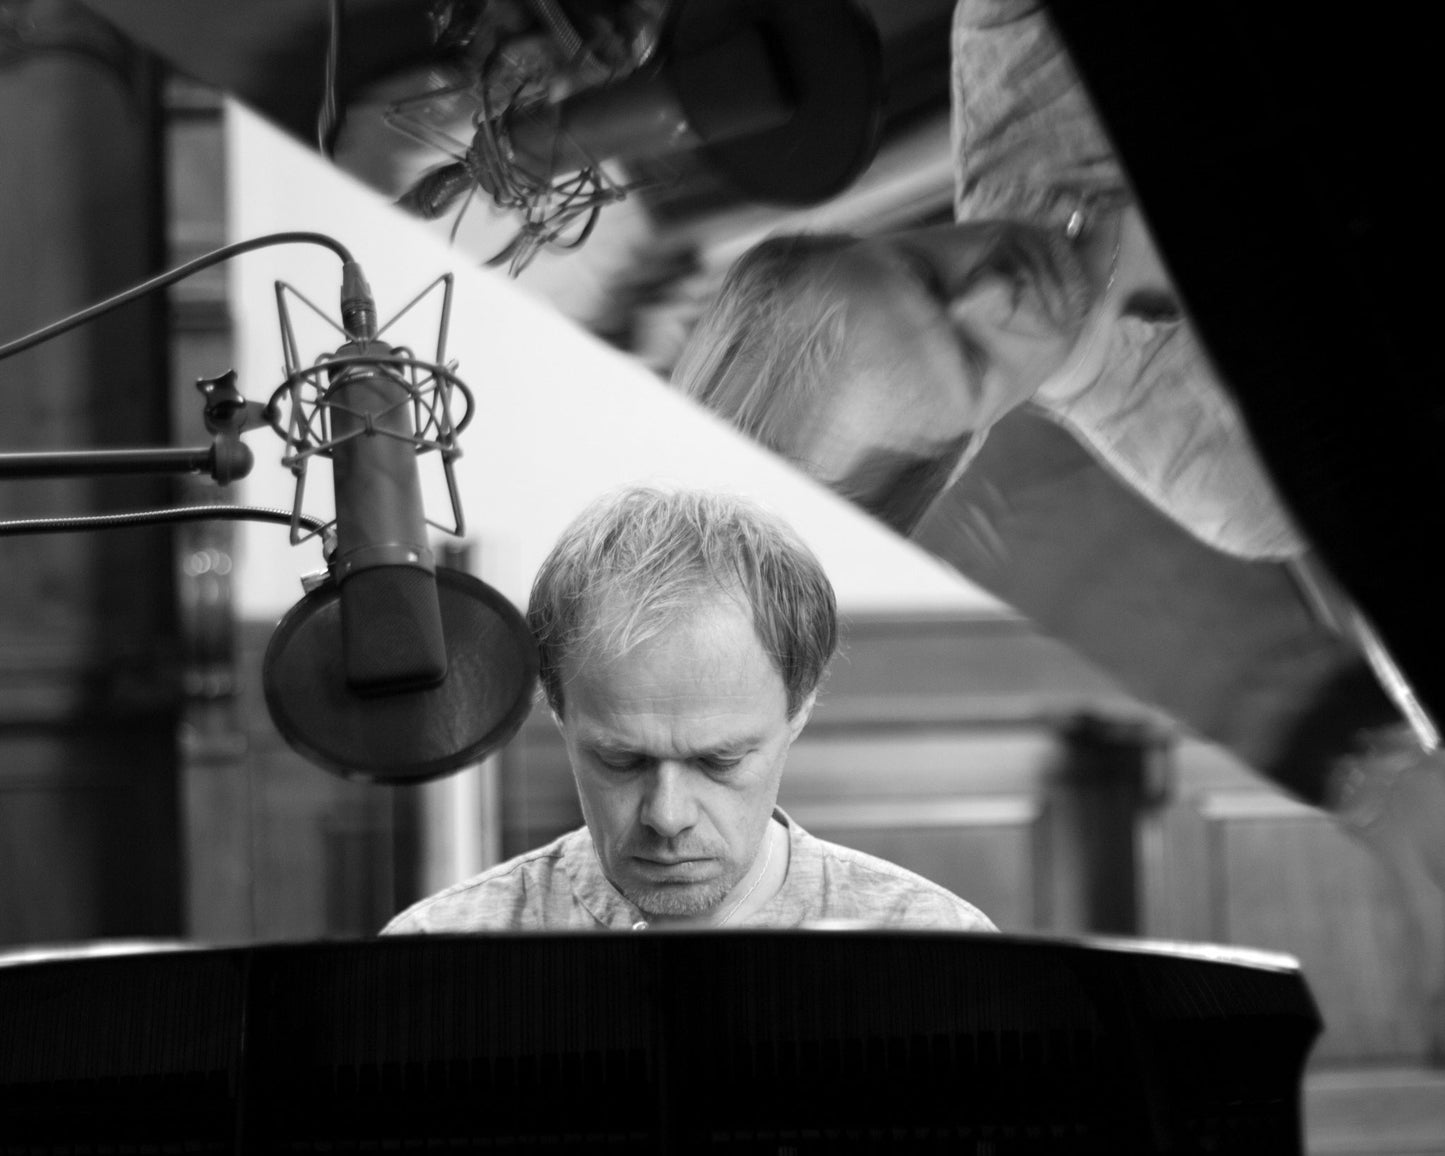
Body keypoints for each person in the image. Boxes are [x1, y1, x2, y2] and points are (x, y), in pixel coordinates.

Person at [670, 0, 1445, 895]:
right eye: (968, 358)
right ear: (958, 453)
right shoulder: (1227, 471)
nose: (994, 285)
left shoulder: (1011, 35)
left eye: (923, 272)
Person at [383, 485, 997, 933]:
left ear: (800, 707)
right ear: (558, 710)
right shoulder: (437, 952)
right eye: (621, 760)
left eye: (721, 760)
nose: (667, 817)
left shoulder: (937, 947)